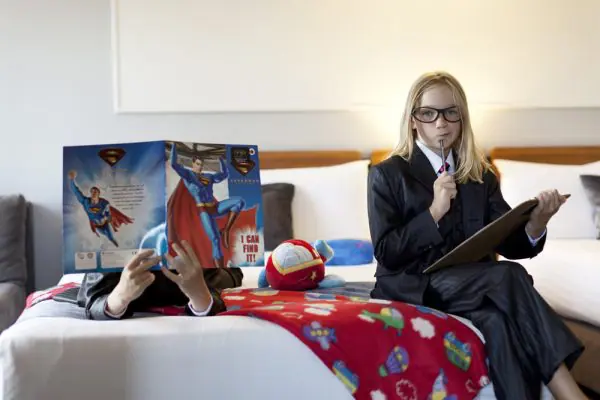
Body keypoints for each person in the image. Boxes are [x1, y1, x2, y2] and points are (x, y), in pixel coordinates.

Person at [367, 71, 586, 400]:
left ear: (462, 117)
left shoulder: (480, 173)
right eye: (428, 113)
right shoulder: (387, 174)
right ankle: (571, 394)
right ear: (412, 120)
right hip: (414, 284)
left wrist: (537, 223)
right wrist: (433, 212)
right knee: (508, 276)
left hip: (470, 285)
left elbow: (509, 241)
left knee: (498, 321)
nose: (441, 123)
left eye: (450, 112)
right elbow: (386, 251)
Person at [77, 240, 243, 320]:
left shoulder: (212, 265)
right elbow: (94, 303)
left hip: (200, 271)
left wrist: (200, 296)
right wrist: (120, 296)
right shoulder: (106, 260)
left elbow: (233, 274)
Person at [168, 142, 246, 268]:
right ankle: (220, 269)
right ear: (193, 164)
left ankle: (226, 230)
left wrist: (221, 160)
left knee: (239, 201)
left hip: (215, 207)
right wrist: (174, 147)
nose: (200, 167)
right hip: (203, 210)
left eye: (201, 164)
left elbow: (224, 175)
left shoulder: (208, 176)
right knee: (215, 240)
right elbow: (174, 164)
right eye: (198, 164)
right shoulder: (188, 176)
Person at [68, 170, 133, 247]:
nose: (94, 193)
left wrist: (108, 218)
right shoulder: (85, 202)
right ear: (91, 193)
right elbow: (76, 192)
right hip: (97, 226)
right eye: (92, 191)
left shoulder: (104, 203)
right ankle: (107, 240)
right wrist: (72, 180)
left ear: (98, 194)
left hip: (105, 224)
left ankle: (114, 242)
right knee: (104, 234)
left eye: (96, 191)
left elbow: (108, 213)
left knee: (110, 236)